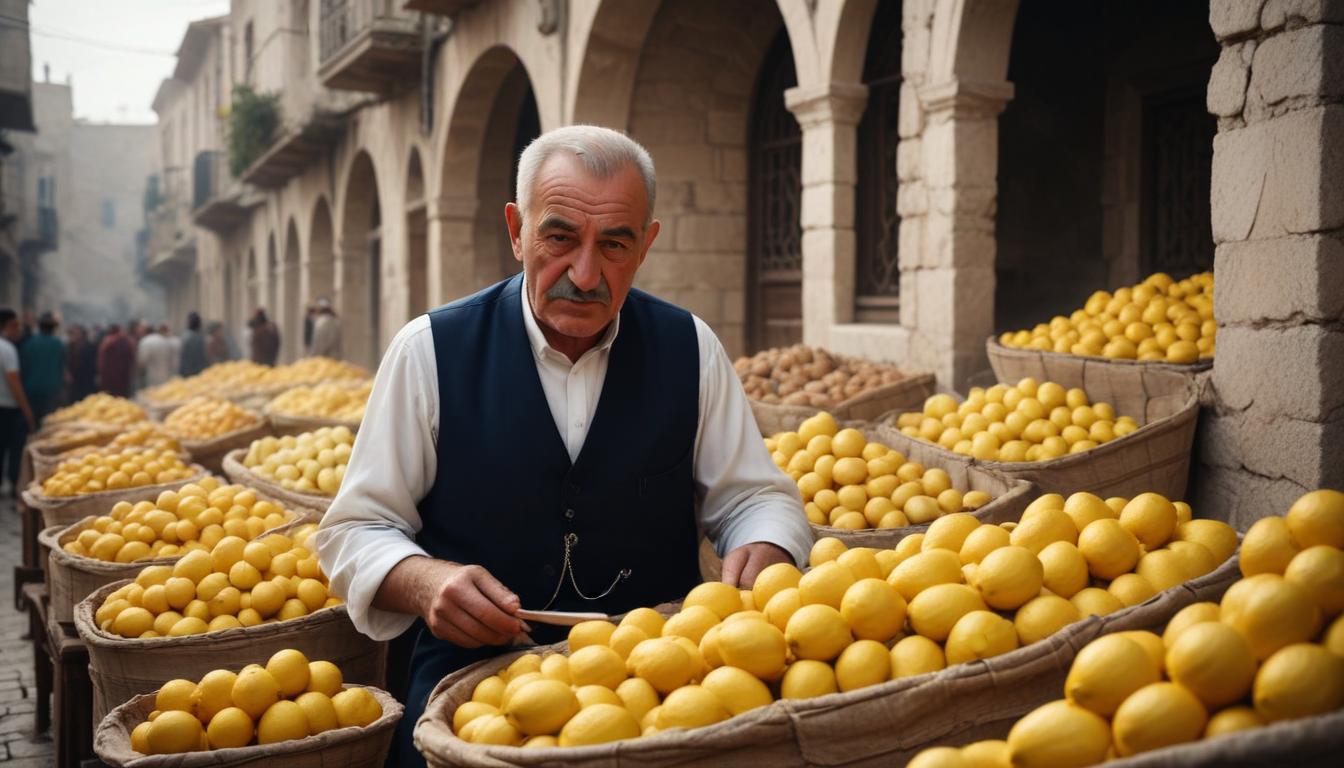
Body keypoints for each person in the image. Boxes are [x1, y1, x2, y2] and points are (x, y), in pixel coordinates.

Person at [315, 126, 811, 766]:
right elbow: (355, 529)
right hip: (472, 713)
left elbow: (753, 496)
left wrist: (764, 539)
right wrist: (422, 580)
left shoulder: (691, 349)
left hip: (655, 702)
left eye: (614, 244)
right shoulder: (429, 352)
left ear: (647, 244)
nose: (585, 273)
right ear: (516, 230)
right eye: (559, 237)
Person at [0, 308, 35, 495]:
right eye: (15, 325)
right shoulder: (7, 349)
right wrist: (27, 409)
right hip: (8, 408)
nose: (18, 330)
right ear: (7, 325)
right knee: (14, 449)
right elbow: (14, 381)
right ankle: (14, 485)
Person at [19, 312, 66, 426]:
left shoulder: (29, 343)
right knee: (48, 421)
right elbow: (61, 368)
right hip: (51, 388)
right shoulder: (59, 344)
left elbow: (23, 367)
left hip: (30, 388)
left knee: (32, 419)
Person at [96, 323, 135, 397]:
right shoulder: (126, 341)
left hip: (109, 374)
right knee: (121, 394)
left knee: (110, 394)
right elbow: (131, 357)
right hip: (123, 374)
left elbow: (101, 358)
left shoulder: (106, 342)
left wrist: (100, 371)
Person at [136, 323, 177, 388]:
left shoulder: (145, 341)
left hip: (151, 377)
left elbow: (141, 362)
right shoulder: (164, 340)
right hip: (166, 375)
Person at [66, 324, 97, 402]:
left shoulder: (89, 346)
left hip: (86, 380)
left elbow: (93, 364)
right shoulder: (69, 347)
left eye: (77, 334)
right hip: (73, 382)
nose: (75, 336)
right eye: (73, 333)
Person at [180, 312, 208, 376]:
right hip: (200, 370)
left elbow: (183, 356)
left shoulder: (186, 337)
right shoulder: (202, 336)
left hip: (188, 370)